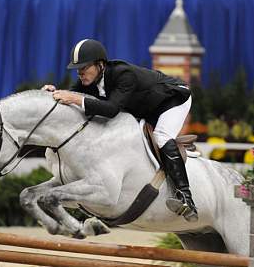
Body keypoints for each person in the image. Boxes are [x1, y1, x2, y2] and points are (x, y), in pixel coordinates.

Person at [42, 39, 197, 222]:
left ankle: (186, 198)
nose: (80, 72)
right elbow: (70, 96)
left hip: (173, 99)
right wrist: (52, 93)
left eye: (84, 67)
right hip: (148, 106)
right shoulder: (89, 80)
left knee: (162, 136)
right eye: (78, 69)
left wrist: (73, 98)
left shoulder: (124, 75)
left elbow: (111, 110)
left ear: (100, 65)